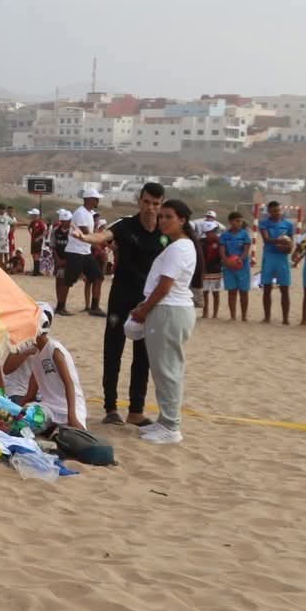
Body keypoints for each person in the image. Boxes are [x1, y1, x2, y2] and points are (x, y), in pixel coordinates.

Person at [83, 183, 164, 428]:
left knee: (143, 356)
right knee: (113, 352)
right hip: (121, 298)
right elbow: (103, 236)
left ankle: (136, 411)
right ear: (139, 201)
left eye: (156, 203)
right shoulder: (126, 225)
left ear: (161, 204)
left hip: (148, 301)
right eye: (147, 202)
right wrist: (85, 237)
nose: (150, 208)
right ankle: (110, 408)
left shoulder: (164, 231)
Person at [127, 200, 198, 445]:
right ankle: (165, 420)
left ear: (182, 220)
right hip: (168, 309)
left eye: (169, 217)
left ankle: (170, 425)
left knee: (167, 370)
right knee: (162, 368)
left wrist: (143, 310)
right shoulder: (179, 246)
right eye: (162, 217)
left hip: (169, 310)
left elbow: (165, 286)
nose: (163, 221)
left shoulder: (179, 248)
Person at [25, 305, 86, 429]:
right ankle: (53, 431)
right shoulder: (36, 356)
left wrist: (72, 416)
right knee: (26, 417)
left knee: (75, 436)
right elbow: (30, 394)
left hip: (69, 408)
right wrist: (16, 411)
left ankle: (57, 430)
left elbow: (69, 383)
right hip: (49, 407)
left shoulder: (54, 349)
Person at [60, 188, 105, 316]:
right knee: (69, 280)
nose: (97, 201)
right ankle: (60, 306)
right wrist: (98, 246)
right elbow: (85, 232)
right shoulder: (80, 213)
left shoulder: (89, 213)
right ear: (88, 199)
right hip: (75, 252)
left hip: (85, 252)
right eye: (96, 199)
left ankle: (94, 307)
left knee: (98, 278)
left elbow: (90, 233)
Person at [256, 201, 295, 323]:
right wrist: (280, 240)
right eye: (273, 211)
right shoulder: (264, 223)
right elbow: (266, 239)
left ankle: (285, 319)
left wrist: (287, 247)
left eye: (278, 210)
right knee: (267, 288)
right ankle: (267, 317)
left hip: (282, 258)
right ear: (269, 212)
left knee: (284, 288)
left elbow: (291, 244)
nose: (277, 213)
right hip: (269, 257)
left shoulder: (288, 224)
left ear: (281, 210)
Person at [219, 211, 253, 321]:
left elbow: (246, 250)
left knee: (244, 291)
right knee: (232, 291)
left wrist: (239, 260)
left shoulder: (245, 235)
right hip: (229, 267)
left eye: (241, 221)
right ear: (230, 221)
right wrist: (226, 260)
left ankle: (244, 316)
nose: (239, 223)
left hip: (242, 266)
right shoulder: (224, 235)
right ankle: (233, 316)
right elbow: (222, 250)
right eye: (237, 221)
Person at [197, 218, 224, 319]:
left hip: (216, 270)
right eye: (209, 232)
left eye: (213, 231)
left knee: (216, 293)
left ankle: (215, 314)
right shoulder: (201, 242)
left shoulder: (219, 241)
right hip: (205, 271)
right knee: (205, 293)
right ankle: (205, 313)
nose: (211, 233)